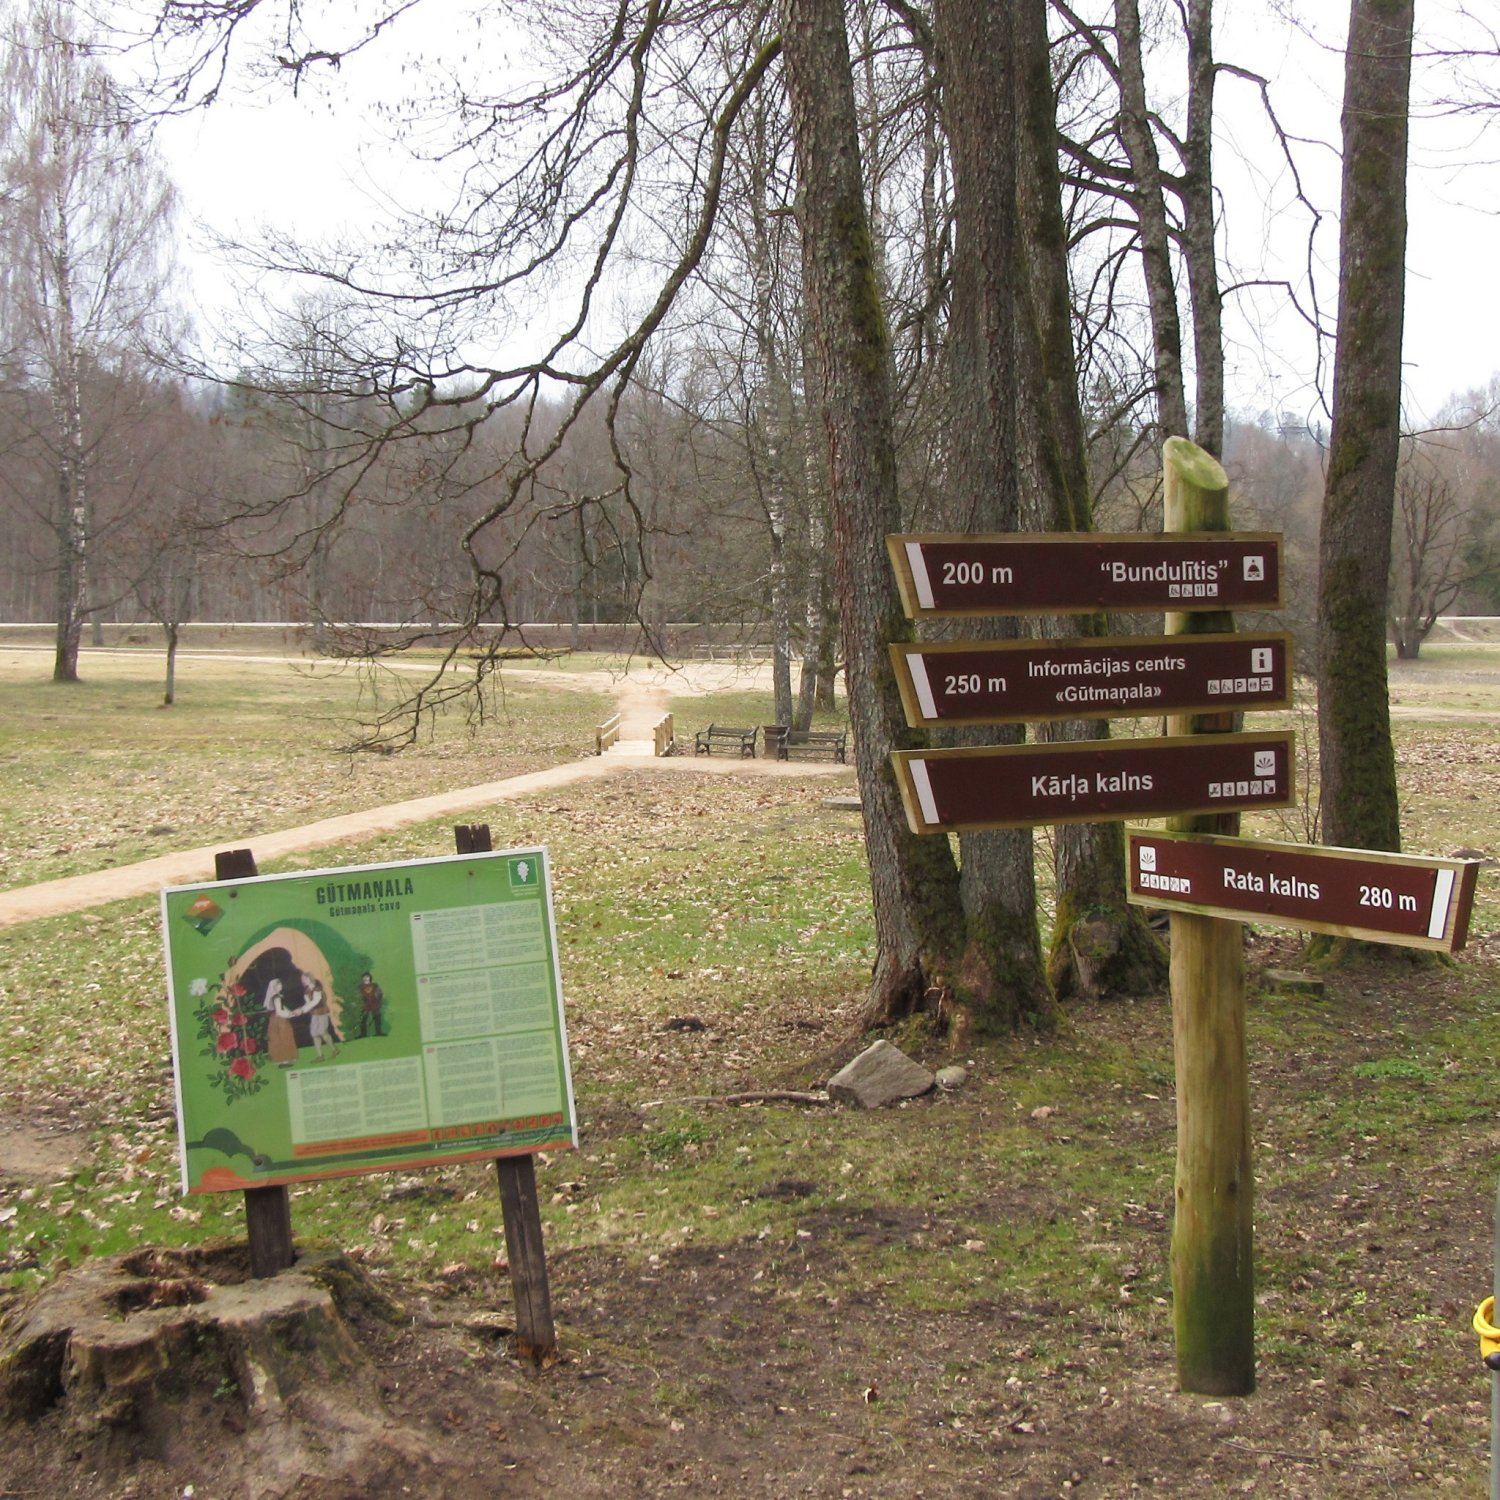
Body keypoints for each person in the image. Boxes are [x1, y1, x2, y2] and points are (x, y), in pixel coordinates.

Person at [301, 972, 340, 1061]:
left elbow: (315, 1002)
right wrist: (301, 1010)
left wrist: (302, 1010)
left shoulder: (317, 989)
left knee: (323, 1032)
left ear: (309, 979)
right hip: (314, 1014)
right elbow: (308, 1004)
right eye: (302, 979)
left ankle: (334, 1049)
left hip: (322, 1013)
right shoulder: (306, 991)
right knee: (314, 1034)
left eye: (304, 979)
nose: (303, 980)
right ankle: (320, 1055)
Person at [357, 971, 385, 1038]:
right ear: (362, 978)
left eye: (367, 977)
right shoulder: (360, 987)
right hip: (365, 1005)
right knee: (363, 1019)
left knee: (377, 1018)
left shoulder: (375, 985)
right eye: (364, 977)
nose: (366, 978)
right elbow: (357, 996)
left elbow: (380, 993)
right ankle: (363, 1034)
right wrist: (360, 1001)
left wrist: (378, 998)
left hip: (375, 1004)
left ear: (370, 978)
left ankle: (378, 1032)